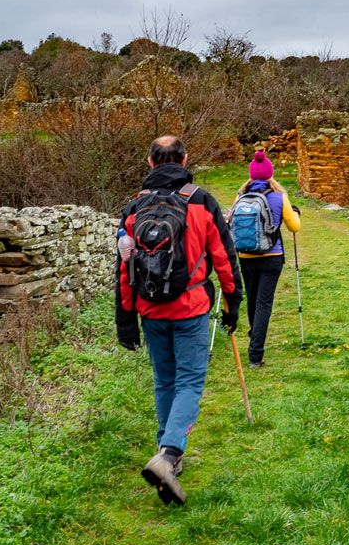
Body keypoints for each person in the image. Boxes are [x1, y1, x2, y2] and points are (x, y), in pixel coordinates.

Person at [115, 135, 243, 506]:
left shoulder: (134, 208)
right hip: (190, 309)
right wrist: (233, 302)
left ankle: (167, 453)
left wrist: (125, 320)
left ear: (150, 162)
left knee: (164, 379)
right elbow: (224, 256)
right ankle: (169, 454)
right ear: (185, 159)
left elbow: (123, 270)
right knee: (189, 380)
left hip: (150, 310)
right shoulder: (201, 201)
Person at [233, 150, 301, 368]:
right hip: (272, 256)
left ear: (251, 175)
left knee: (252, 300)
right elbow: (294, 227)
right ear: (270, 174)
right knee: (264, 303)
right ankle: (255, 354)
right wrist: (295, 213)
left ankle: (255, 335)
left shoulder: (241, 196)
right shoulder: (279, 196)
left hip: (246, 255)